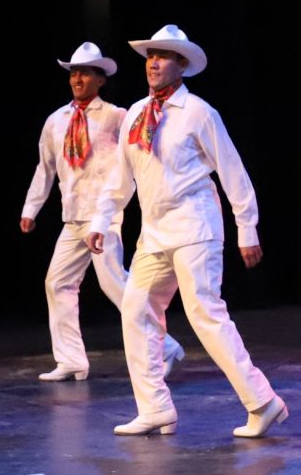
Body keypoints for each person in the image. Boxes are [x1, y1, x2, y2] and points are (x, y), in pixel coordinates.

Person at [87, 25, 287, 439]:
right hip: (154, 231)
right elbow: (119, 178)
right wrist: (101, 220)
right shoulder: (136, 114)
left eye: (163, 56)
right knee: (135, 309)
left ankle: (263, 402)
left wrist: (247, 228)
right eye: (150, 56)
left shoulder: (198, 112)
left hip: (195, 224)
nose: (153, 63)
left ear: (182, 65)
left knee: (205, 314)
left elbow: (232, 170)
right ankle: (155, 408)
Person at [20, 41, 182, 380]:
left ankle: (164, 346)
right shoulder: (56, 121)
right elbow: (44, 168)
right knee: (57, 282)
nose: (77, 79)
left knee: (115, 283)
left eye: (85, 73)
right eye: (74, 73)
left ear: (100, 79)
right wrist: (31, 208)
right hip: (73, 215)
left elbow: (136, 155)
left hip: (103, 214)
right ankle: (71, 360)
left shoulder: (115, 116)